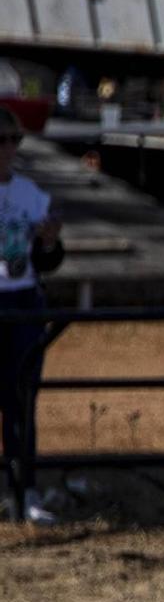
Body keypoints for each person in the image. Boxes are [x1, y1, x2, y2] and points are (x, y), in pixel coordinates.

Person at [0, 107, 63, 525]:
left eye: (12, 140)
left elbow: (51, 260)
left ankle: (26, 491)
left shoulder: (31, 194)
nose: (6, 149)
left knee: (22, 400)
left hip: (24, 302)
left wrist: (48, 243)